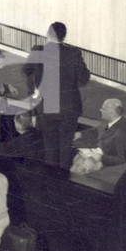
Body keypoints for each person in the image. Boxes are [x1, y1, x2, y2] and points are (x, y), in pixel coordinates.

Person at [29, 22, 90, 169]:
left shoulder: (39, 51)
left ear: (48, 34)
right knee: (66, 146)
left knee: (50, 147)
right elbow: (84, 78)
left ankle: (51, 178)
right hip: (69, 107)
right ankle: (64, 177)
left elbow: (29, 72)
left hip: (47, 107)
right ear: (64, 36)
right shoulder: (74, 53)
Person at [71, 98, 126, 170]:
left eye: (103, 109)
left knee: (78, 165)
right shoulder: (108, 121)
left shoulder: (123, 131)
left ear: (112, 112)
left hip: (103, 163)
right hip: (92, 153)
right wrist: (80, 134)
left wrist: (101, 158)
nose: (100, 110)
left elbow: (122, 158)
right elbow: (96, 131)